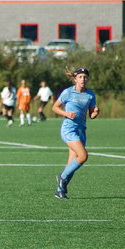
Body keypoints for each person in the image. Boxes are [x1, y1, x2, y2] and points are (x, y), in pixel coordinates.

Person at [51, 67, 100, 199]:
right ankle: (62, 177)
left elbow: (92, 115)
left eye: (85, 77)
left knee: (71, 164)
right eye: (80, 77)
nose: (83, 79)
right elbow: (54, 107)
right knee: (83, 156)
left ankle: (59, 191)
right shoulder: (68, 92)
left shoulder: (90, 94)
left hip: (81, 130)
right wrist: (66, 114)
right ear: (75, 79)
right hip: (69, 129)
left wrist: (96, 112)